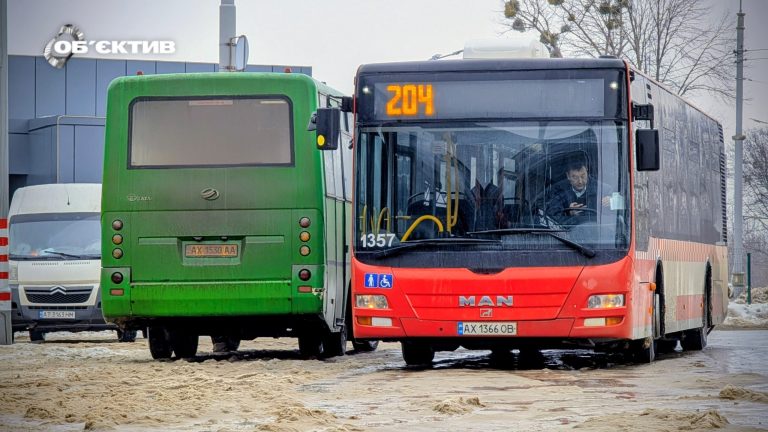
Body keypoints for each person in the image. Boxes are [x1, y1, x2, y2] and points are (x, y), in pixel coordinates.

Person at [548, 159, 611, 224]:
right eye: (575, 177)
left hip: (597, 230)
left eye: (583, 176)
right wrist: (568, 213)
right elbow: (551, 218)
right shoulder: (559, 191)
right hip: (568, 232)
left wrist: (613, 202)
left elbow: (617, 214)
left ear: (587, 170)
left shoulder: (603, 189)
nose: (580, 181)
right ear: (568, 176)